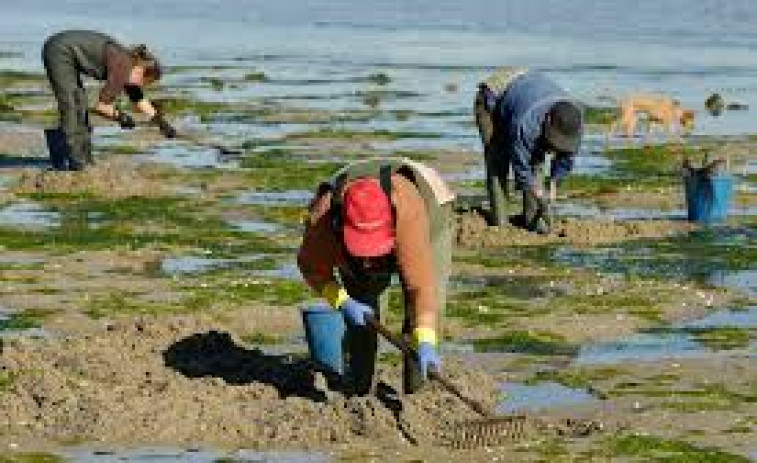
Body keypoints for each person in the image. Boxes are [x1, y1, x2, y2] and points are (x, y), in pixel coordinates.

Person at [297, 158, 455, 395]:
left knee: (422, 318)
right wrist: (343, 301)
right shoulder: (324, 219)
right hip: (350, 225)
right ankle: (359, 390)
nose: (370, 261)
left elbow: (421, 290)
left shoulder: (408, 211)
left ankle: (419, 396)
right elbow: (312, 270)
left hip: (430, 212)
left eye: (374, 252)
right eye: (362, 251)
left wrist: (426, 340)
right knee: (361, 322)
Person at [42, 30, 177, 171]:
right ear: (140, 70)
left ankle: (81, 159)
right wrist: (121, 117)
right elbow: (101, 106)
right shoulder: (123, 67)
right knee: (72, 105)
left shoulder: (128, 64)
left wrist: (161, 122)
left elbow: (138, 98)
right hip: (59, 51)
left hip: (65, 50)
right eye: (144, 82)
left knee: (79, 104)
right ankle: (76, 162)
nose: (140, 86)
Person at [474, 67, 583, 233]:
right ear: (547, 121)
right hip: (493, 97)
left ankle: (532, 221)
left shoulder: (574, 122)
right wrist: (538, 193)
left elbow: (566, 157)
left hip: (525, 92)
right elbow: (521, 167)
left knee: (536, 165)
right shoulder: (527, 124)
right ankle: (500, 222)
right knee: (498, 161)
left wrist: (554, 184)